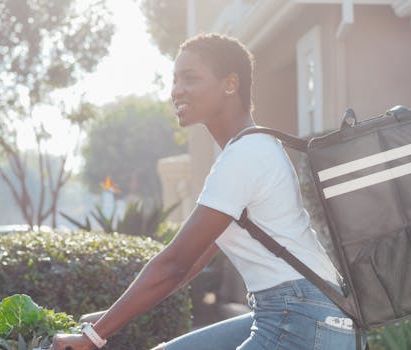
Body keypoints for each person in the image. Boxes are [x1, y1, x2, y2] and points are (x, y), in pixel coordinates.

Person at [50, 33, 366, 350]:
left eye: (190, 78)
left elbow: (172, 264)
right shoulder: (247, 149)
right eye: (174, 80)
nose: (176, 90)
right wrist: (109, 317)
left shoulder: (245, 156)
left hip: (302, 319)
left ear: (230, 84)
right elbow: (193, 260)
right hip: (297, 312)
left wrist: (94, 337)